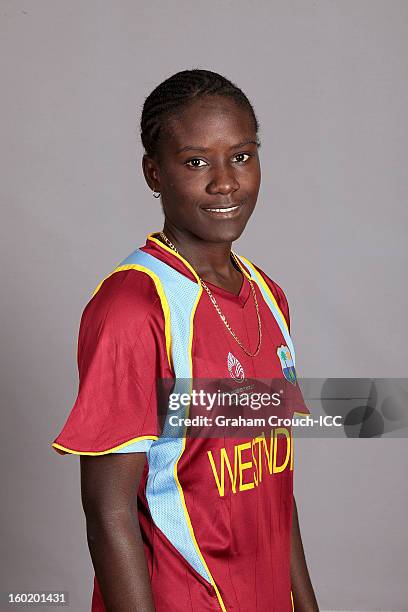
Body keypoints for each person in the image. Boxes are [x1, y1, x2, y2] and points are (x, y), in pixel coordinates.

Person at [51, 69, 319, 612]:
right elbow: (108, 511)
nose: (225, 182)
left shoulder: (270, 297)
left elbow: (271, 486)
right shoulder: (133, 307)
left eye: (242, 156)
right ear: (154, 171)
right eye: (196, 162)